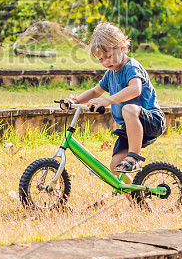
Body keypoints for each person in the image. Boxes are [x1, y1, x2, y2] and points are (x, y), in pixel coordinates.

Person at [68, 22, 165, 173]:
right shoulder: (110, 74)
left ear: (121, 48)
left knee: (128, 109)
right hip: (129, 128)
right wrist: (75, 101)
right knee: (115, 167)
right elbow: (95, 92)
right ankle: (135, 195)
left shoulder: (131, 66)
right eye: (101, 59)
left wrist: (107, 100)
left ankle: (134, 157)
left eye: (108, 56)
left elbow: (135, 89)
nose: (106, 62)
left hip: (151, 119)